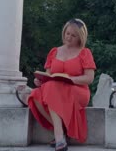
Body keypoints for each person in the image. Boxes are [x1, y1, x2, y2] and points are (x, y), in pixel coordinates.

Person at [27, 18, 96, 151]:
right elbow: (48, 76)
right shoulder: (54, 52)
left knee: (53, 87)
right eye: (67, 33)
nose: (69, 37)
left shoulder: (84, 53)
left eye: (73, 35)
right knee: (35, 94)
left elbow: (89, 78)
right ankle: (62, 131)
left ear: (80, 37)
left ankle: (59, 137)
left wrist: (70, 79)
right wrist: (39, 81)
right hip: (54, 90)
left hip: (78, 91)